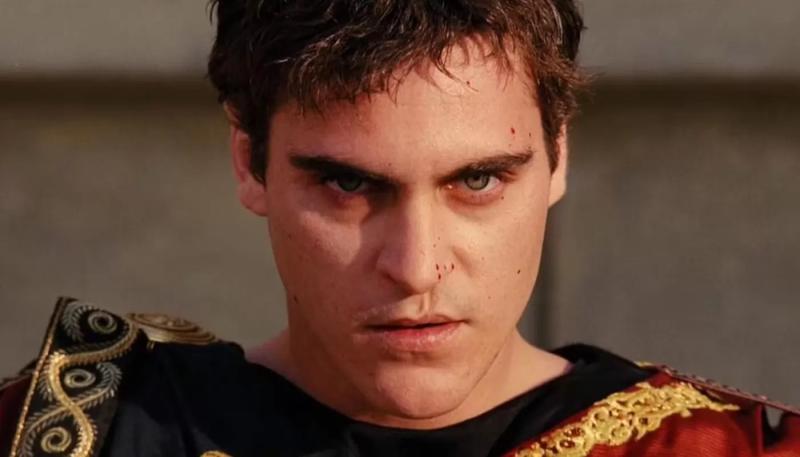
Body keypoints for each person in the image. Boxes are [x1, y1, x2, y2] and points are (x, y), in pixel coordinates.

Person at [1, 0, 799, 456]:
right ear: (249, 161)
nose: (416, 268)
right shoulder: (80, 435)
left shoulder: (730, 447)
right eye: (349, 184)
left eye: (478, 180)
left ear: (558, 155)